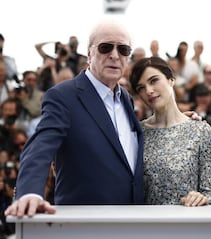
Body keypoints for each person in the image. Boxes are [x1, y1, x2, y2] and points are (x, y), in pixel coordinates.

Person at [5, 20, 145, 218]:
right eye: (105, 48)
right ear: (89, 54)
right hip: (82, 225)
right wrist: (29, 192)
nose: (115, 55)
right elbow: (40, 146)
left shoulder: (127, 100)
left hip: (134, 222)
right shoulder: (63, 96)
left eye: (123, 49)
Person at [129, 57, 211, 206]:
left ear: (171, 80)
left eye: (153, 80)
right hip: (145, 225)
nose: (149, 91)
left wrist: (201, 199)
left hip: (188, 223)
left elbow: (209, 193)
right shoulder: (136, 133)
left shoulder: (201, 131)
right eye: (141, 88)